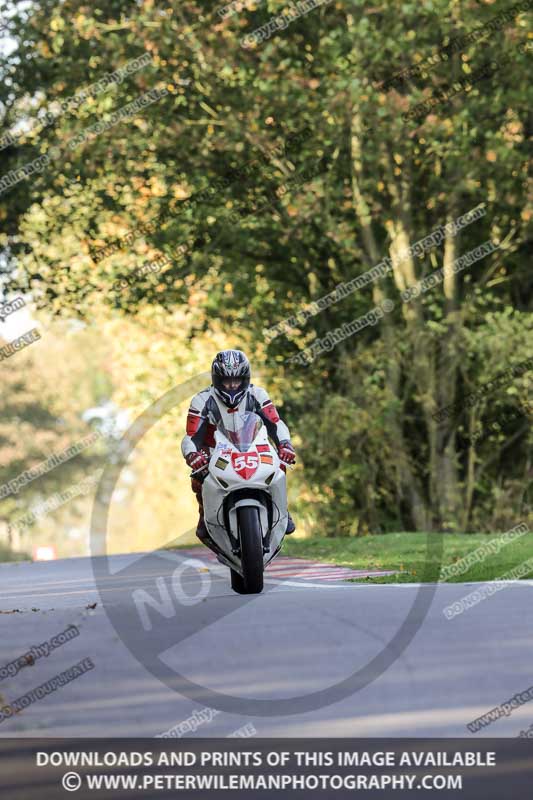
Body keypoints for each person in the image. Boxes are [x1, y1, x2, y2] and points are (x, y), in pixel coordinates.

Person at [182, 349, 296, 543]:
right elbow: (191, 436)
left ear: (246, 378)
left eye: (237, 380)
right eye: (227, 381)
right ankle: (205, 514)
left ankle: (282, 509)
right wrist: (192, 454)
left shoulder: (258, 394)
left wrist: (285, 444)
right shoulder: (201, 400)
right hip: (216, 451)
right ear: (217, 379)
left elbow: (276, 424)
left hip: (254, 447)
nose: (232, 386)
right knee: (197, 476)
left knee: (279, 464)